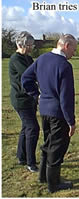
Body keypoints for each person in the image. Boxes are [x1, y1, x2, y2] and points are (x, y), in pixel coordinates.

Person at [21, 34, 77, 193]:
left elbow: (26, 78)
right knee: (57, 148)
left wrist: (36, 95)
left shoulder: (42, 58)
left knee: (48, 143)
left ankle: (43, 176)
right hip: (58, 112)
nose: (74, 52)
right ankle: (54, 184)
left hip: (44, 110)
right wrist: (70, 121)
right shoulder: (65, 66)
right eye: (73, 48)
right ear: (66, 46)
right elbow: (66, 97)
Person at [9, 31, 40, 173]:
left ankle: (21, 157)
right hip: (21, 100)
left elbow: (37, 71)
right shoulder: (16, 59)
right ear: (21, 45)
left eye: (31, 45)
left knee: (25, 128)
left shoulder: (27, 57)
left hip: (30, 99)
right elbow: (29, 74)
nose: (31, 48)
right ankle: (30, 162)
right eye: (29, 45)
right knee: (33, 128)